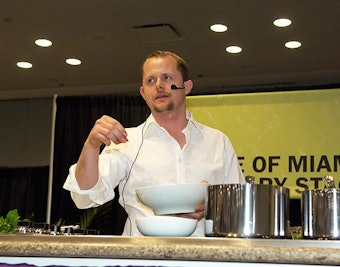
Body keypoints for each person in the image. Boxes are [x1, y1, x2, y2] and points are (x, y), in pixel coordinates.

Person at [63, 50, 244, 236]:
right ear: (143, 93)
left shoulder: (217, 142)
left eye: (167, 77)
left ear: (186, 86)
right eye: (150, 81)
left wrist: (212, 208)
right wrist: (91, 145)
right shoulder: (126, 141)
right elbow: (84, 196)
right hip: (141, 258)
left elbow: (240, 207)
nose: (159, 86)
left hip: (203, 260)